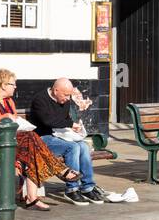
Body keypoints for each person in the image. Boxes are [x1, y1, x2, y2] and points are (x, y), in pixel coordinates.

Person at [0, 69, 81, 211]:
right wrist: (5, 117)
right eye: (13, 84)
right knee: (32, 141)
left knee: (32, 148)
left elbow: (14, 123)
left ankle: (33, 199)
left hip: (13, 141)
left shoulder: (9, 102)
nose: (15, 87)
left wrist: (15, 121)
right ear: (3, 85)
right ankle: (58, 171)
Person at [28, 78, 106, 206]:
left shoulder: (65, 101)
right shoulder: (40, 100)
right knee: (73, 147)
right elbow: (48, 121)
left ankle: (87, 187)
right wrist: (70, 124)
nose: (68, 98)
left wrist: (74, 130)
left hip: (59, 135)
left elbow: (63, 120)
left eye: (69, 95)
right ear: (55, 90)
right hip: (41, 138)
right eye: (65, 95)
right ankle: (72, 188)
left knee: (84, 146)